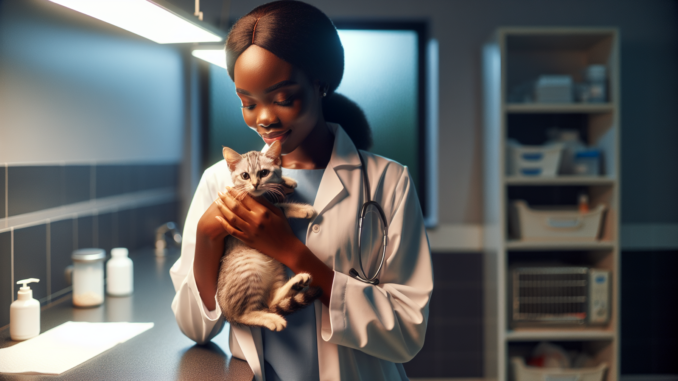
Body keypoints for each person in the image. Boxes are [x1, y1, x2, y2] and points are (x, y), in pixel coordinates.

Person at [169, 2, 433, 380]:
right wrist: (207, 235)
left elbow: (406, 332)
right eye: (248, 102)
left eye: (282, 98)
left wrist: (291, 252)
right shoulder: (219, 181)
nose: (264, 118)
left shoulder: (388, 182)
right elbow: (195, 328)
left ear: (320, 84)